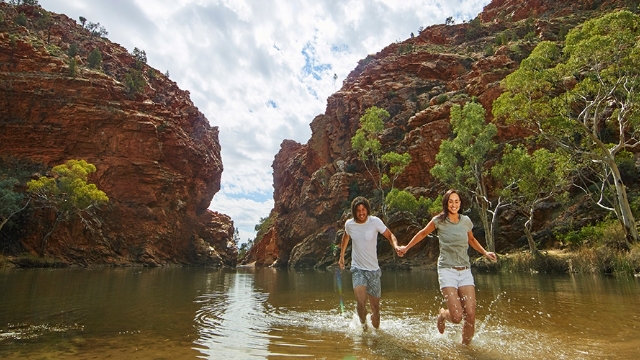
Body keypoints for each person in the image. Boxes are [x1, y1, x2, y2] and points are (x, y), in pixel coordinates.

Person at [397, 189, 497, 345]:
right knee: (457, 317)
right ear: (446, 203)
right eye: (451, 201)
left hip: (465, 271)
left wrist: (485, 252)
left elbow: (471, 239)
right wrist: (406, 248)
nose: (454, 204)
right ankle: (443, 314)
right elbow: (423, 233)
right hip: (446, 270)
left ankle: (466, 350)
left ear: (460, 204)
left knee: (470, 315)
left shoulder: (466, 221)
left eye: (457, 201)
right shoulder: (439, 221)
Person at [338, 196, 400, 330]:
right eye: (358, 210)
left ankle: (375, 331)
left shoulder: (375, 222)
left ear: (367, 209)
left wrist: (395, 246)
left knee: (375, 309)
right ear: (354, 212)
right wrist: (341, 256)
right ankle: (364, 327)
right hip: (357, 269)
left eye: (363, 209)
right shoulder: (350, 224)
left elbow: (390, 235)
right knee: (360, 302)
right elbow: (345, 236)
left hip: (373, 271)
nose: (361, 213)